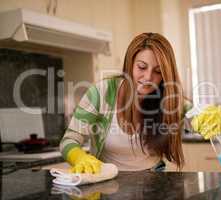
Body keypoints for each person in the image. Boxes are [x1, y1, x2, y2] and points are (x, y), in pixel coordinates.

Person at [60, 32, 191, 173]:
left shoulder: (169, 98)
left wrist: (205, 117)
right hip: (108, 181)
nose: (148, 77)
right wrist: (79, 157)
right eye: (142, 67)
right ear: (130, 64)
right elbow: (69, 140)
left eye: (158, 72)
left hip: (154, 182)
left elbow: (196, 115)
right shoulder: (101, 92)